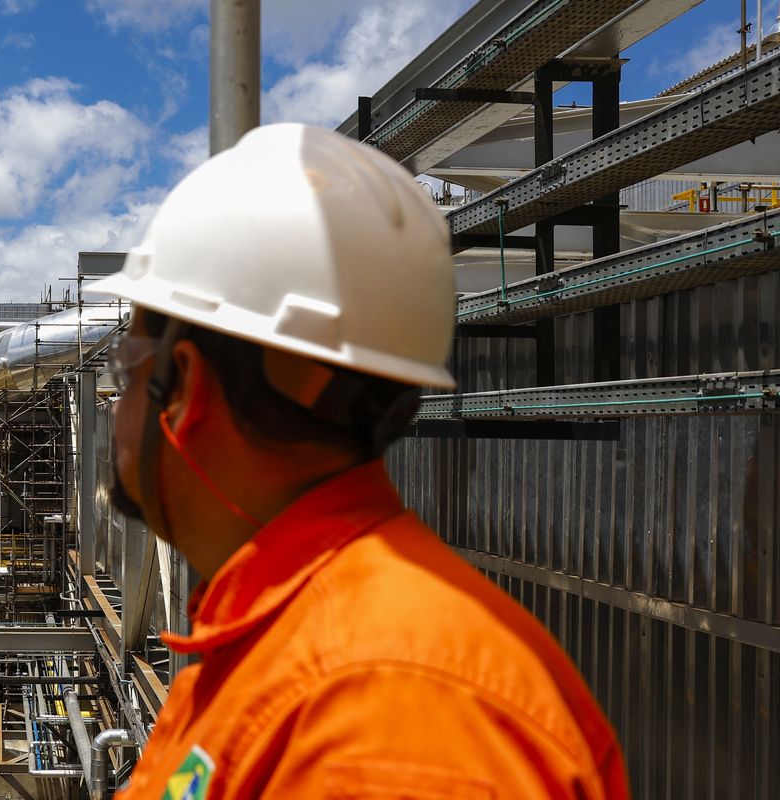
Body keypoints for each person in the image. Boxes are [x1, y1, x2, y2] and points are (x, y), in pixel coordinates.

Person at [89, 123, 627, 799]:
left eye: (126, 368)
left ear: (186, 388)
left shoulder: (380, 717)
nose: (115, 403)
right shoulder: (288, 644)